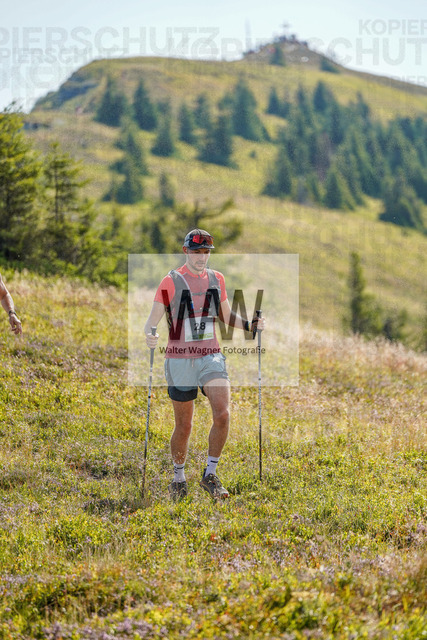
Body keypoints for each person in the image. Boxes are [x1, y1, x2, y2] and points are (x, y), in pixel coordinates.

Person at [144, 229, 265, 501]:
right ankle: (178, 478)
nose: (201, 257)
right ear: (185, 251)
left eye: (206, 252)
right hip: (179, 359)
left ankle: (210, 475)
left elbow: (225, 315)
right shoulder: (171, 281)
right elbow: (151, 320)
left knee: (222, 415)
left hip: (211, 355)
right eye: (196, 252)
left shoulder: (216, 279)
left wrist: (250, 325)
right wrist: (150, 335)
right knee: (184, 426)